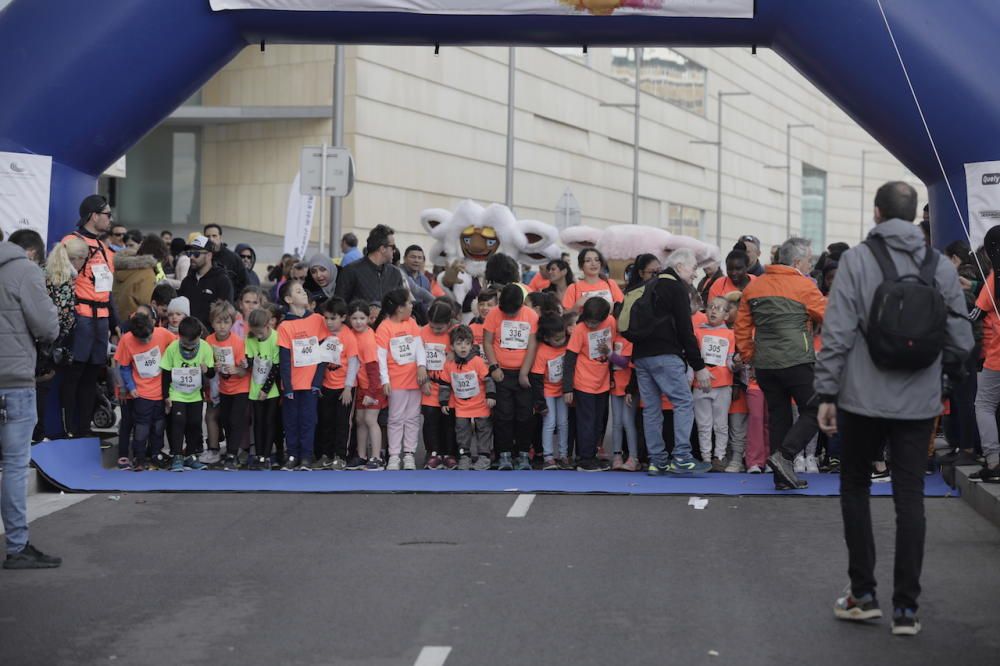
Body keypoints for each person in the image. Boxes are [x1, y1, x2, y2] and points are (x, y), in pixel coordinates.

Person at [817, 181, 973, 636]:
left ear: (878, 213)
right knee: (910, 497)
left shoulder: (858, 260)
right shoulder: (939, 266)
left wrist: (826, 393)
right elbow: (962, 338)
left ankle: (862, 595)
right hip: (918, 401)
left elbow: (838, 331)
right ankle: (907, 608)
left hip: (860, 398)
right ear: (914, 216)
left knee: (856, 489)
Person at [734, 237, 825, 489]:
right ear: (796, 261)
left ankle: (781, 479)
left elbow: (742, 326)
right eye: (808, 260)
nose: (810, 264)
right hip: (796, 359)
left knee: (779, 416)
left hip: (764, 363)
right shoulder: (804, 286)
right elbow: (826, 314)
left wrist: (749, 355)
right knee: (816, 409)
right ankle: (785, 456)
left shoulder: (755, 286)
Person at [0, 237, 60, 569]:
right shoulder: (23, 270)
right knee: (13, 467)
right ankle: (17, 546)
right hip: (13, 382)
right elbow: (48, 327)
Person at [630, 248, 713, 475]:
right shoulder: (676, 288)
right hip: (666, 354)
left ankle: (657, 460)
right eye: (693, 268)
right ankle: (682, 457)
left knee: (651, 409)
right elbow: (686, 331)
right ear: (679, 267)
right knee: (684, 403)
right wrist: (699, 366)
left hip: (641, 356)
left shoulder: (649, 285)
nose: (695, 274)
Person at [60, 194, 118, 438]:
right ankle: (67, 430)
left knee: (93, 373)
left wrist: (115, 323)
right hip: (80, 317)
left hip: (100, 318)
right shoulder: (71, 242)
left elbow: (108, 290)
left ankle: (83, 429)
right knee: (75, 373)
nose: (110, 219)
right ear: (94, 216)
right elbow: (59, 282)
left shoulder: (106, 249)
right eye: (106, 214)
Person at [483, 283, 539, 470]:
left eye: (513, 311)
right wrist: (494, 366)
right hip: (502, 373)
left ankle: (523, 453)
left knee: (524, 416)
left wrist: (524, 372)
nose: (510, 314)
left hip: (522, 373)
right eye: (506, 311)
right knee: (503, 415)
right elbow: (488, 342)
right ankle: (504, 454)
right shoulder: (493, 315)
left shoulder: (531, 315)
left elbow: (532, 345)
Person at [276, 280, 328, 470]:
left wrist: (317, 381)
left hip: (310, 383)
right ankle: (292, 455)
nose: (304, 293)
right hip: (292, 384)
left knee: (308, 420)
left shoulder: (317, 320)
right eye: (298, 291)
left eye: (303, 290)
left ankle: (306, 456)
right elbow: (284, 359)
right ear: (289, 299)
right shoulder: (284, 327)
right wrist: (287, 386)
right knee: (291, 422)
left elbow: (323, 354)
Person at [113, 311, 174, 470]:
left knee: (159, 425)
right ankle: (139, 457)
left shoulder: (162, 333)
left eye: (149, 337)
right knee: (141, 426)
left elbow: (175, 345)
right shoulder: (126, 340)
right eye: (142, 339)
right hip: (141, 393)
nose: (147, 341)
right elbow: (124, 367)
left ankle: (155, 454)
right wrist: (130, 387)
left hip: (161, 391)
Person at [375, 288, 427, 471]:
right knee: (396, 418)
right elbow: (380, 356)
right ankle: (394, 455)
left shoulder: (412, 323)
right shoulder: (385, 327)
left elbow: (419, 347)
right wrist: (385, 380)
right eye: (409, 303)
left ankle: (409, 454)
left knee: (412, 418)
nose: (412, 306)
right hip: (396, 381)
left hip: (414, 379)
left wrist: (421, 366)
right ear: (399, 308)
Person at [562, 297, 616, 472]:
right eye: (589, 321)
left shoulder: (611, 321)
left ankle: (592, 454)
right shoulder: (580, 329)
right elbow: (569, 358)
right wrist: (568, 387)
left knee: (599, 421)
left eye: (595, 322)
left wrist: (613, 376)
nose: (591, 325)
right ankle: (585, 459)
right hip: (583, 381)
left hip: (603, 381)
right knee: (587, 421)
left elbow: (613, 350)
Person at [160, 316, 213, 472]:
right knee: (178, 421)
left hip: (195, 394)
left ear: (199, 336)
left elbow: (211, 374)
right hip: (177, 393)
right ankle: (177, 455)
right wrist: (166, 396)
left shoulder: (205, 347)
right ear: (180, 336)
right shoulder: (172, 348)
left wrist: (207, 370)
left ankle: (190, 454)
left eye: (192, 343)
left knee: (195, 423)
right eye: (186, 343)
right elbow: (166, 372)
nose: (189, 347)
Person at [439, 324, 495, 470]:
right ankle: (465, 456)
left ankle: (484, 456)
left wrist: (490, 395)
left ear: (471, 345)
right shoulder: (449, 364)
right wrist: (443, 401)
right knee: (462, 432)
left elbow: (488, 378)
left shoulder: (477, 361)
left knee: (483, 430)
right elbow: (444, 383)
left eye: (466, 343)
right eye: (459, 344)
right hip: (461, 407)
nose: (463, 347)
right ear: (451, 346)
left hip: (480, 404)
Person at [693, 296, 739, 471]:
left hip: (723, 385)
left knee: (721, 424)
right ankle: (706, 457)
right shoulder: (698, 332)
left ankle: (719, 456)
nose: (713, 310)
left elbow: (729, 361)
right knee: (703, 424)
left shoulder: (730, 334)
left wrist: (736, 364)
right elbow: (693, 359)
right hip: (701, 386)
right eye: (711, 306)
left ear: (726, 316)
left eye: (719, 308)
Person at [206, 301, 251, 471]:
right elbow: (208, 365)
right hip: (223, 387)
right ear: (212, 323)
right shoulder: (209, 340)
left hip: (240, 387)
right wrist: (213, 367)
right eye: (218, 322)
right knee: (224, 419)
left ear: (232, 323)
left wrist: (236, 369)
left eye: (226, 322)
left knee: (235, 420)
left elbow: (243, 372)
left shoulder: (238, 342)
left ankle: (232, 453)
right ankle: (231, 451)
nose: (222, 326)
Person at [315, 297, 359, 470]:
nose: (329, 322)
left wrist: (348, 387)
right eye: (326, 318)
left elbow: (354, 362)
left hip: (344, 387)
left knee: (343, 423)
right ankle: (325, 454)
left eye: (333, 318)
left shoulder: (348, 336)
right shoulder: (323, 333)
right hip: (326, 385)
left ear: (343, 317)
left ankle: (341, 456)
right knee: (326, 421)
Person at [346, 299, 384, 470]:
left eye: (362, 318)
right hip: (361, 386)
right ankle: (361, 456)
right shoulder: (351, 334)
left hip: (373, 387)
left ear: (369, 319)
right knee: (360, 420)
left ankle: (376, 457)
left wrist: (371, 392)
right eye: (354, 318)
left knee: (370, 420)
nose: (358, 322)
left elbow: (373, 369)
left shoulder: (368, 339)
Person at [531, 313, 571, 470]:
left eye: (563, 337)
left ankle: (563, 454)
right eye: (557, 339)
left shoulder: (567, 345)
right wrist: (540, 403)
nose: (561, 341)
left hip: (562, 390)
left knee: (563, 422)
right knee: (550, 422)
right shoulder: (542, 351)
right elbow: (537, 378)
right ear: (546, 338)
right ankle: (548, 456)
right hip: (547, 390)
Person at [420, 300, 456, 469]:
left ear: (449, 323)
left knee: (448, 421)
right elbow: (418, 358)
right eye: (432, 326)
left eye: (439, 328)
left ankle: (449, 453)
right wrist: (424, 379)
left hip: (448, 387)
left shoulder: (455, 332)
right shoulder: (422, 332)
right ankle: (432, 452)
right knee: (430, 419)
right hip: (429, 384)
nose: (434, 330)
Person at [245, 307, 282, 469]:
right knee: (258, 422)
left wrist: (265, 390)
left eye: (260, 332)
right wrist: (244, 364)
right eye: (255, 332)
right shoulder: (250, 339)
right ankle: (259, 454)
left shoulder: (276, 338)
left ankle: (267, 455)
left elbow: (276, 367)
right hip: (255, 388)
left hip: (271, 389)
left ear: (268, 324)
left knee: (269, 422)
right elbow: (251, 362)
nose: (258, 336)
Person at [334, 224, 403, 307]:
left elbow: (401, 305)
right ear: (382, 248)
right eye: (393, 246)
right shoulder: (350, 271)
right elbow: (339, 306)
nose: (395, 250)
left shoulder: (395, 273)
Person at [178, 236, 234, 333]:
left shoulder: (222, 281)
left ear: (209, 255)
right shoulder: (187, 281)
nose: (191, 257)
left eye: (196, 254)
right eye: (190, 253)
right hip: (187, 337)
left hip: (210, 338)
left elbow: (225, 314)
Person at [113, 234, 164, 322]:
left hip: (116, 319)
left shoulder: (122, 268)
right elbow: (147, 301)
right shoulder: (147, 273)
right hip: (136, 323)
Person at [562, 248, 623, 314]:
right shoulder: (573, 288)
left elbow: (623, 308)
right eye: (588, 261)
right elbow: (565, 316)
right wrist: (576, 307)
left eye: (597, 260)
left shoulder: (611, 284)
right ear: (581, 266)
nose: (593, 263)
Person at [203, 224, 247, 297]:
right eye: (207, 236)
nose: (211, 239)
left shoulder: (233, 258)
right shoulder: (199, 257)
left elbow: (244, 284)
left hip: (227, 304)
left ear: (220, 237)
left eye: (214, 236)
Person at [402, 245, 435, 311]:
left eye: (419, 258)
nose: (416, 260)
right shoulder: (399, 274)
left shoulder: (425, 280)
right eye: (413, 257)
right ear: (404, 258)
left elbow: (427, 302)